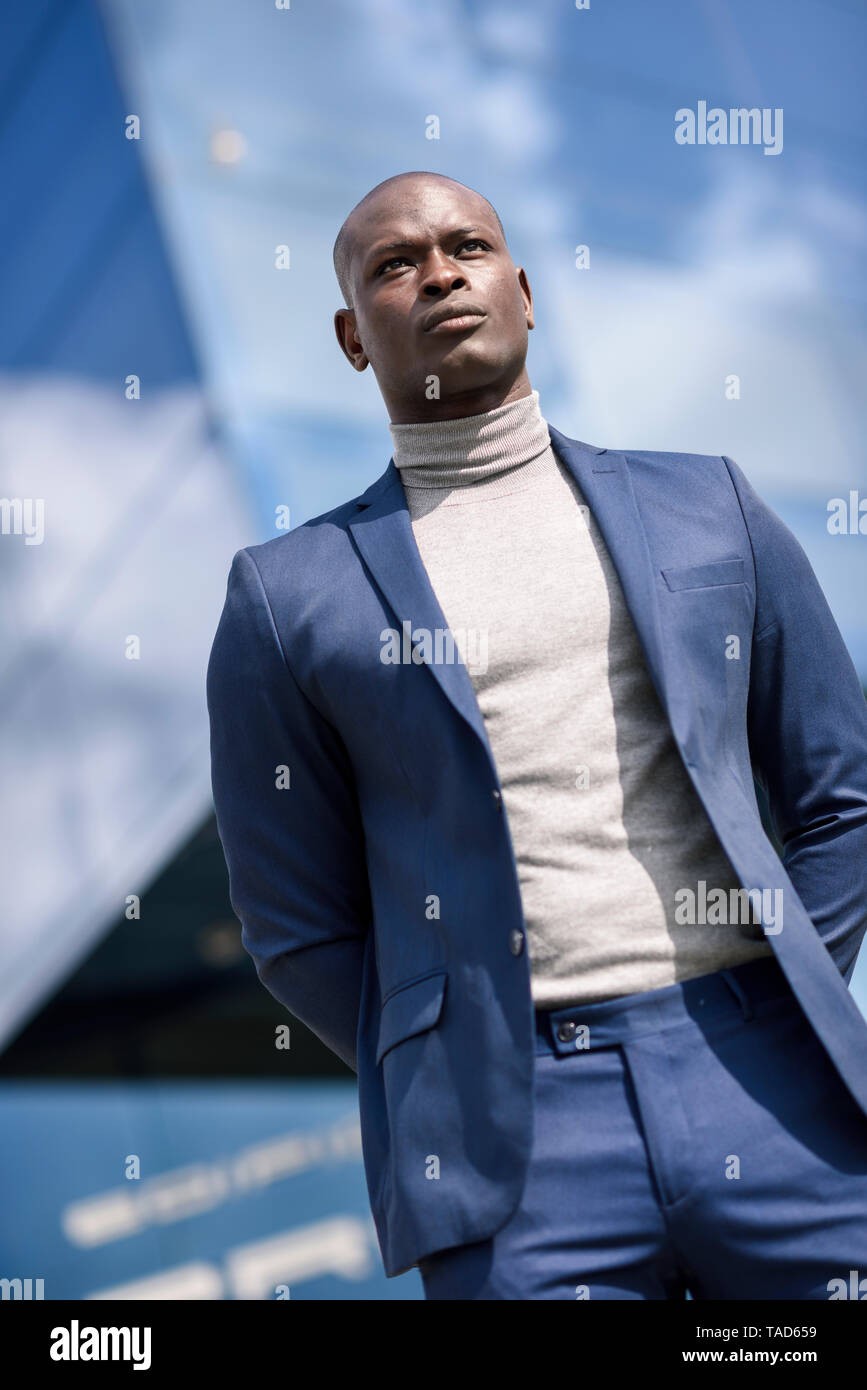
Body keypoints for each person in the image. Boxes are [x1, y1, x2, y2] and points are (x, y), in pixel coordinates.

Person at [206, 170, 867, 1299]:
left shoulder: (712, 504)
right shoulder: (285, 595)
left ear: (522, 286)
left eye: (467, 246)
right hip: (517, 1157)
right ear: (351, 338)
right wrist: (456, 1064)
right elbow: (295, 927)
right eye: (394, 264)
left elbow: (842, 797)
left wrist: (788, 981)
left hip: (772, 1080)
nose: (440, 272)